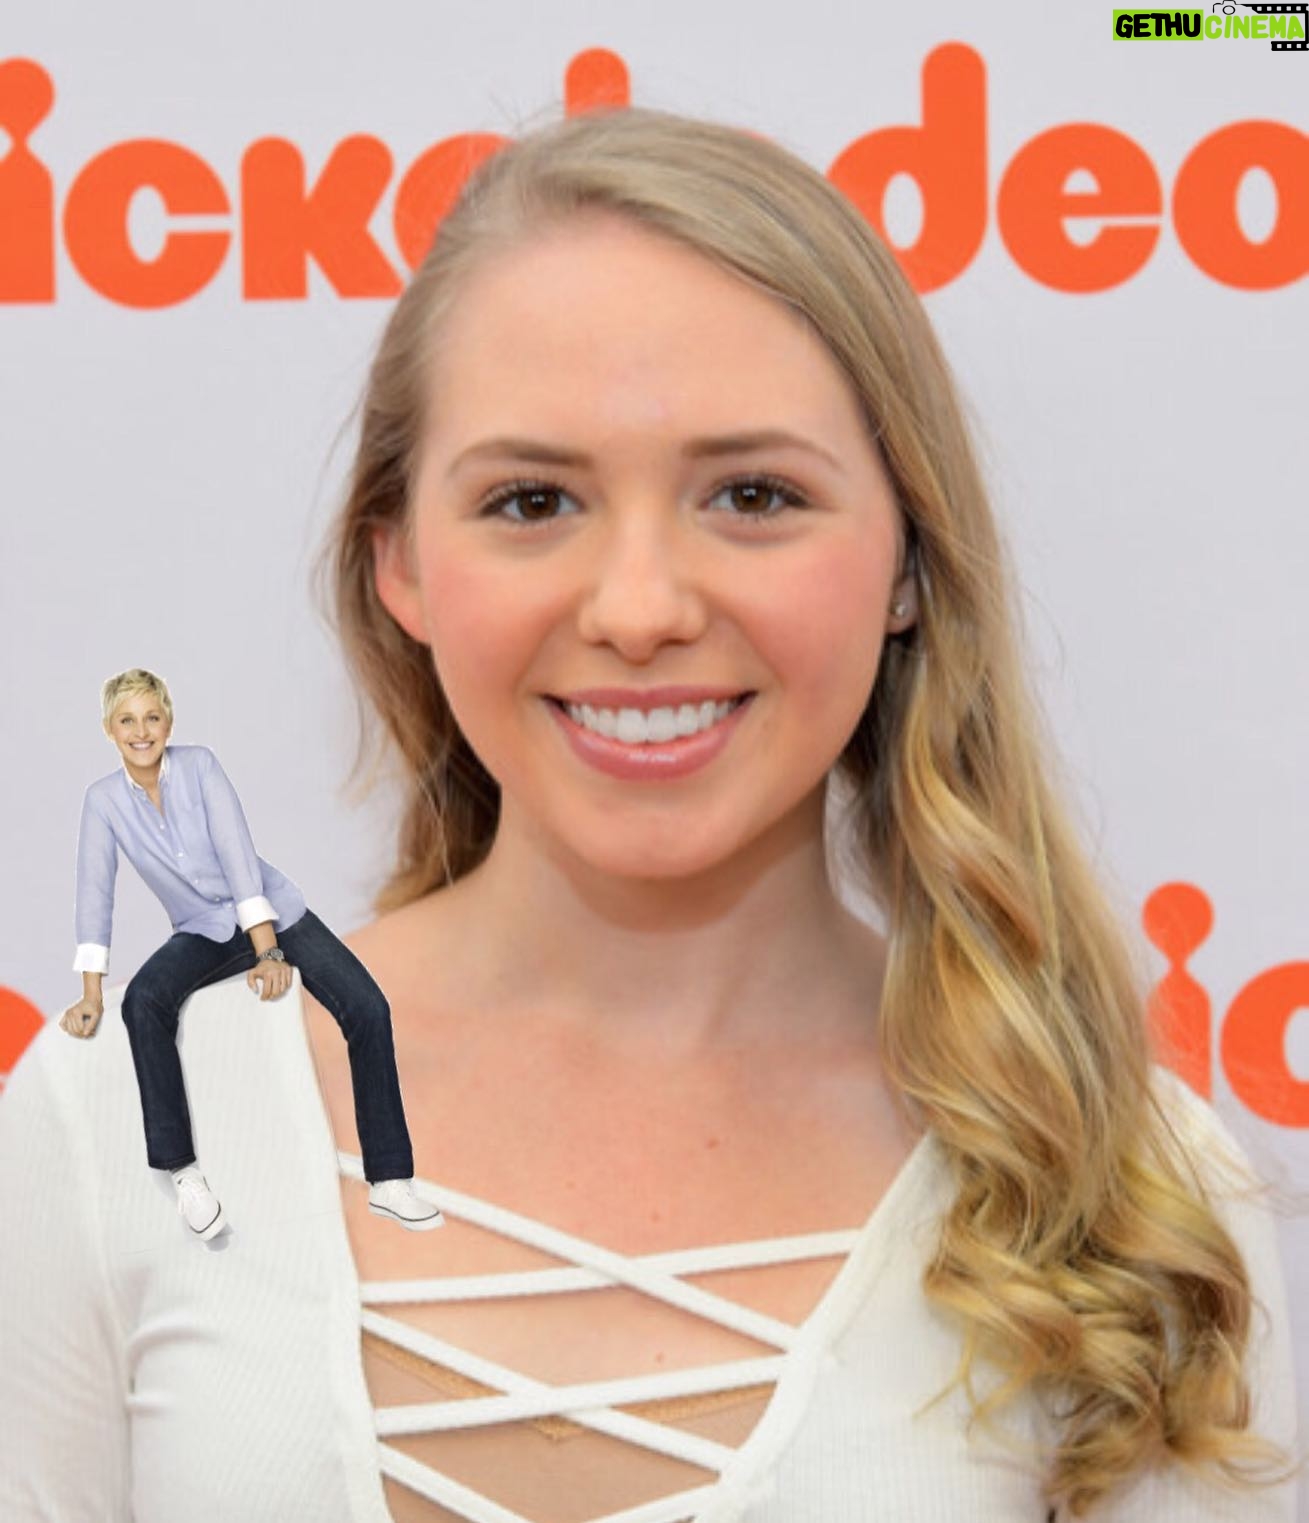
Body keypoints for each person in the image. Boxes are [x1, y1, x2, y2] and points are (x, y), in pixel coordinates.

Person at [0, 111, 1296, 1522]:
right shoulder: (127, 1108)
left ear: (908, 562)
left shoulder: (1124, 1189)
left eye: (753, 494)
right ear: (400, 563)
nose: (638, 608)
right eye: (531, 499)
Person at [57, 668, 441, 1237]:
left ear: (169, 722)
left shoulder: (201, 766)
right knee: (143, 1001)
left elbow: (238, 857)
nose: (141, 731)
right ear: (109, 729)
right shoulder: (104, 802)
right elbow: (95, 893)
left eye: (152, 717)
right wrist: (90, 994)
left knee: (367, 1008)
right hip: (202, 929)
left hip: (271, 910)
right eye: (127, 720)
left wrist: (270, 953)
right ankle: (184, 1175)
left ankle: (389, 1181)